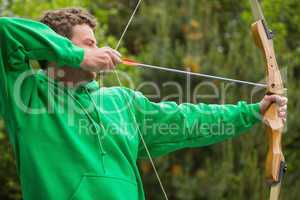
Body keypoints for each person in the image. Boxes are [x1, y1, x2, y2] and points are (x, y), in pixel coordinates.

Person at [0, 8, 287, 200]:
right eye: (89, 43)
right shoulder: (26, 93)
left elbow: (185, 120)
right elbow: (5, 30)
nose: (99, 50)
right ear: (57, 46)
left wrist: (252, 112)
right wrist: (78, 57)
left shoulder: (120, 102)